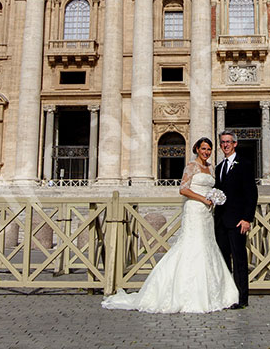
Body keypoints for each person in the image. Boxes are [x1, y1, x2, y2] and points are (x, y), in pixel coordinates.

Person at [102, 137, 238, 313]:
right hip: (195, 210)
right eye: (203, 148)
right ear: (196, 149)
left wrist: (214, 198)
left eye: (209, 149)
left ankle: (212, 293)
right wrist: (203, 199)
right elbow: (183, 189)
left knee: (207, 247)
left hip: (207, 213)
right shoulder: (191, 166)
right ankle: (188, 294)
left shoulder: (212, 168)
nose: (206, 152)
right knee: (192, 247)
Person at [214, 130, 257, 309]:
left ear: (235, 144)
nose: (225, 145)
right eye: (223, 142)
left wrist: (247, 218)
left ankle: (242, 298)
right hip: (221, 221)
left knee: (239, 259)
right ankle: (227, 296)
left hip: (238, 220)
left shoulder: (244, 164)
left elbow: (251, 194)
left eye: (228, 142)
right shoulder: (219, 168)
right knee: (223, 260)